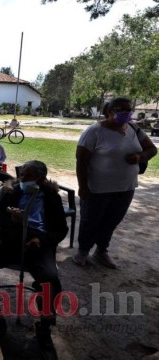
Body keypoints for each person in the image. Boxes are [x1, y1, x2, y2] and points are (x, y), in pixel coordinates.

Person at [0, 160, 68, 359]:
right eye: (22, 174)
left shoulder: (51, 196)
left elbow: (60, 229)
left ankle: (44, 329)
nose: (22, 178)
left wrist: (40, 240)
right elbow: (0, 218)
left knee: (50, 278)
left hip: (38, 241)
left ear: (40, 179)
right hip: (10, 237)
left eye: (28, 176)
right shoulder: (12, 191)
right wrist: (13, 223)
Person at [73, 98, 157, 268]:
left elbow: (152, 149)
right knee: (91, 220)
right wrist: (83, 186)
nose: (126, 113)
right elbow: (81, 161)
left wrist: (139, 157)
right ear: (109, 111)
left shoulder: (134, 129)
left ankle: (101, 252)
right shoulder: (94, 131)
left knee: (112, 221)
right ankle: (83, 252)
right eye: (122, 110)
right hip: (97, 188)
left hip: (126, 188)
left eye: (129, 109)